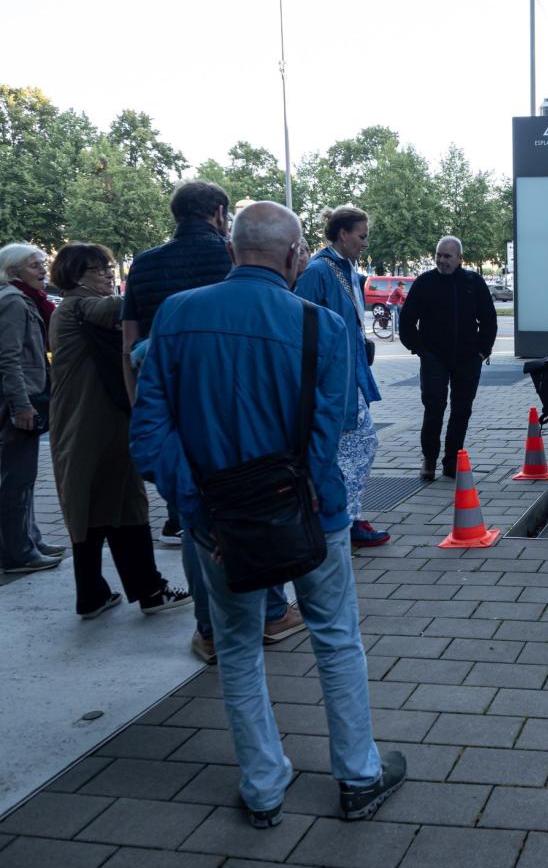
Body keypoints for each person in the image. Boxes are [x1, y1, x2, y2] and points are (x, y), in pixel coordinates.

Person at [130, 200, 406, 827]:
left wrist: (204, 510)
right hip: (314, 517)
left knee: (236, 646)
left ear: (232, 252)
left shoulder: (175, 316)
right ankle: (359, 777)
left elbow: (149, 437)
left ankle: (262, 787)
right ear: (293, 254)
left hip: (217, 524)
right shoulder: (321, 326)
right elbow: (326, 432)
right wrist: (304, 500)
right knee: (336, 640)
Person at [123, 181, 303, 662]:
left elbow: (132, 346)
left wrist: (152, 430)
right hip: (249, 418)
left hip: (182, 423)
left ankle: (208, 629)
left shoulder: (144, 265)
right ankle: (269, 611)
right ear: (221, 218)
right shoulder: (235, 263)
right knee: (259, 512)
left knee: (196, 524)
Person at [48, 244, 190, 617]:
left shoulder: (69, 309)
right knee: (124, 502)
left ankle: (96, 593)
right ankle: (149, 590)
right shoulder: (80, 305)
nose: (110, 276)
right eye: (100, 270)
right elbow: (114, 308)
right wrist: (154, 280)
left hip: (84, 424)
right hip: (99, 425)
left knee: (91, 506)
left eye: (109, 269)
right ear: (77, 275)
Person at [295, 206, 390, 547]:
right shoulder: (321, 270)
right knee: (360, 444)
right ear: (343, 234)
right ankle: (343, 520)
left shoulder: (342, 268)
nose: (365, 243)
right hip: (333, 379)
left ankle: (345, 517)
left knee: (355, 446)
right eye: (362, 236)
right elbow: (299, 322)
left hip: (348, 374)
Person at [397, 236, 497, 481]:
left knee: (461, 410)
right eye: (438, 255)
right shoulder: (425, 282)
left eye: (447, 256)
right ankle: (429, 458)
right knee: (434, 407)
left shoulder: (473, 282)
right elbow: (407, 321)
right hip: (434, 356)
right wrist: (418, 348)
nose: (441, 260)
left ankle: (452, 460)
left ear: (460, 259)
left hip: (468, 357)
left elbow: (489, 320)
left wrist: (483, 351)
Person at [0, 245, 60, 574]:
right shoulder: (12, 300)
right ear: (13, 271)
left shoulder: (25, 299)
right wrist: (21, 405)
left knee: (24, 477)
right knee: (16, 479)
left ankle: (30, 540)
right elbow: (8, 357)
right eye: (34, 265)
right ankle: (17, 552)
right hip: (19, 401)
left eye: (42, 264)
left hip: (27, 395)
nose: (42, 270)